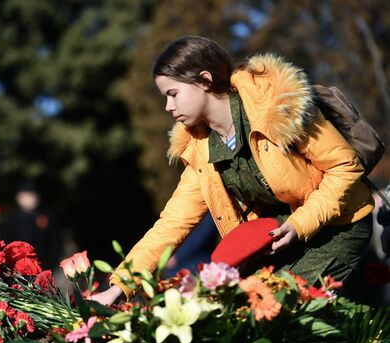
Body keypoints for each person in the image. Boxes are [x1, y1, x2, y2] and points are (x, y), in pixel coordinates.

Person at [92, 36, 374, 305]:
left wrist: (300, 225)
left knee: (276, 312)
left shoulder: (278, 105)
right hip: (280, 238)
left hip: (340, 225)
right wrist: (118, 289)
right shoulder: (200, 149)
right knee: (240, 312)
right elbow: (171, 225)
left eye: (173, 94)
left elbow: (345, 167)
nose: (168, 106)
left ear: (204, 80)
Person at [0, 182, 62, 271]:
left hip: (42, 266)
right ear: (18, 198)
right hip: (16, 266)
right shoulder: (11, 220)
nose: (29, 199)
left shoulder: (46, 217)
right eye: (25, 196)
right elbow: (6, 242)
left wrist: (49, 266)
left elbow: (54, 244)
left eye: (31, 196)